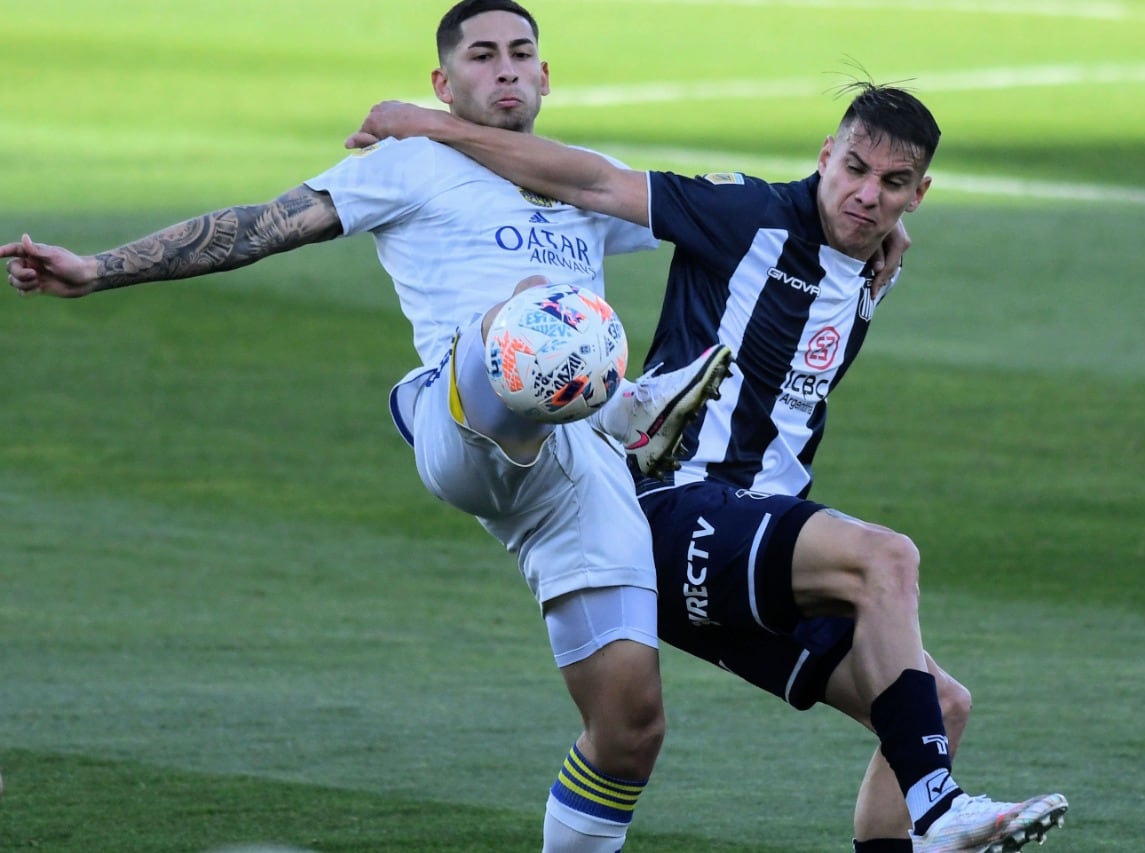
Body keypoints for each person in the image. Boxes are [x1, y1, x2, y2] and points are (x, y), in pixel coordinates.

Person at [2, 2, 745, 850]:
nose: (505, 69)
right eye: (482, 56)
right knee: (538, 309)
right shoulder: (410, 164)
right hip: (464, 419)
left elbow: (724, 221)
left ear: (546, 74)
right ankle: (629, 407)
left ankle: (626, 410)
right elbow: (256, 228)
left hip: (573, 470)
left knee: (630, 722)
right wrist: (99, 268)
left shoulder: (584, 178)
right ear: (443, 83)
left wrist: (853, 224)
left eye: (521, 53)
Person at [343, 81, 1070, 852]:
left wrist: (877, 252)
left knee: (937, 709)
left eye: (891, 185)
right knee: (885, 559)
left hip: (746, 535)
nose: (866, 195)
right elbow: (584, 177)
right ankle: (939, 806)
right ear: (826, 155)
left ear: (919, 194)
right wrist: (425, 124)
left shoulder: (871, 265)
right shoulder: (743, 214)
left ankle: (928, 803)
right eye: (854, 168)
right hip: (670, 503)